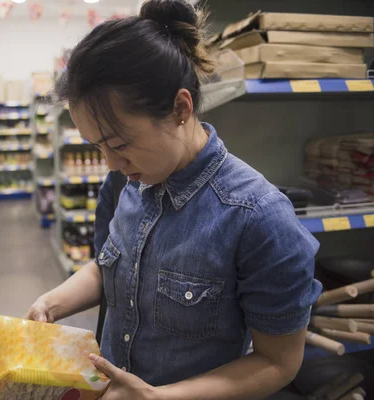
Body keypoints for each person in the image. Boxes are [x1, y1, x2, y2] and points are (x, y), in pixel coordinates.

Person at [26, 0, 322, 398]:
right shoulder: (133, 182)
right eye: (98, 147)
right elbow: (112, 268)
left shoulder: (259, 219)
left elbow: (278, 362)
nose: (111, 164)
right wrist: (53, 301)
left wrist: (159, 397)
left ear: (181, 108)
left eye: (120, 144)